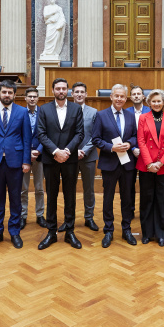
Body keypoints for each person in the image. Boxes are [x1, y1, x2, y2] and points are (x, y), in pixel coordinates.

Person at [0, 80, 32, 249]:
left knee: (15, 198)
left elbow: (27, 139)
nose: (7, 95)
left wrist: (26, 161)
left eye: (10, 92)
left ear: (15, 94)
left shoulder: (22, 112)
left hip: (15, 162)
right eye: (4, 92)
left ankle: (14, 232)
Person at [37, 78, 85, 250]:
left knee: (70, 195)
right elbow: (41, 134)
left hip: (70, 159)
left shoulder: (76, 109)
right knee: (51, 195)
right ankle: (51, 232)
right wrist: (56, 151)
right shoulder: (44, 109)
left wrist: (67, 151)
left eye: (64, 88)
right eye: (58, 88)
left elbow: (80, 134)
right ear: (53, 90)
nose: (61, 91)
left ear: (68, 91)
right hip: (51, 159)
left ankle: (70, 231)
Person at [92, 84, 138, 247]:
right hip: (109, 163)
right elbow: (96, 139)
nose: (119, 99)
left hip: (127, 164)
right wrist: (111, 147)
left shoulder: (130, 115)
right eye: (116, 96)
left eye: (122, 96)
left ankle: (126, 229)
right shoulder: (101, 115)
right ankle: (108, 230)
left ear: (126, 99)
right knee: (108, 198)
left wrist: (129, 143)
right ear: (111, 97)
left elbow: (135, 136)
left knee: (127, 198)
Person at [136, 89, 164, 246]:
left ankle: (161, 234)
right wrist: (149, 163)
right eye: (154, 101)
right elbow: (141, 141)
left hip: (163, 166)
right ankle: (147, 233)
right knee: (147, 200)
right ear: (149, 103)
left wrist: (160, 163)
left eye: (159, 101)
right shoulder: (143, 118)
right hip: (146, 166)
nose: (156, 103)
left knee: (162, 200)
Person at [68, 82, 98, 232]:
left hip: (88, 156)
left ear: (86, 94)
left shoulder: (94, 112)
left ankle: (89, 217)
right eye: (77, 92)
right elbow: (63, 134)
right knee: (69, 189)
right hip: (69, 156)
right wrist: (73, 151)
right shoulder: (65, 111)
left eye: (82, 92)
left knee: (89, 189)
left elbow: (96, 135)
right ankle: (69, 219)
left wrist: (84, 151)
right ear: (72, 94)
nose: (79, 94)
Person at [20, 87, 46, 230]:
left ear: (38, 98)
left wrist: (38, 150)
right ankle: (23, 215)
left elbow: (47, 134)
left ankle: (40, 215)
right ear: (25, 98)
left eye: (34, 96)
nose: (32, 99)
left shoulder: (43, 113)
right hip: (23, 156)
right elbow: (16, 135)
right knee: (23, 188)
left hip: (39, 156)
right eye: (29, 96)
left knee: (39, 188)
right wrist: (27, 152)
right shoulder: (20, 113)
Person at [126, 84, 151, 220]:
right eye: (134, 94)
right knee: (129, 183)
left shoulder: (150, 111)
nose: (136, 96)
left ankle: (145, 212)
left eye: (138, 94)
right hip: (130, 152)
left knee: (145, 184)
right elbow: (123, 134)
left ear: (143, 96)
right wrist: (133, 148)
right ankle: (130, 211)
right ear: (130, 97)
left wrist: (143, 150)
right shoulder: (125, 112)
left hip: (146, 153)